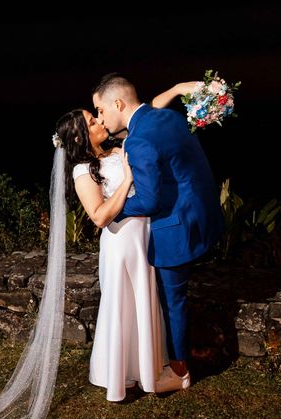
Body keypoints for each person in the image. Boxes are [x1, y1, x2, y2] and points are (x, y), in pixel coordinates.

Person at [53, 83, 190, 401]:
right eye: (91, 121)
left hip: (145, 238)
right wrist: (128, 179)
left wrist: (181, 89)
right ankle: (119, 377)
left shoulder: (122, 147)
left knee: (145, 300)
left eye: (97, 115)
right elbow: (100, 216)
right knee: (123, 306)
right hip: (119, 246)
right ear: (78, 137)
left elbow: (149, 109)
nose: (100, 121)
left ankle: (147, 370)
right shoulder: (83, 170)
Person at [92, 73, 225, 393]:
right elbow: (150, 108)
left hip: (176, 228)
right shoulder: (168, 117)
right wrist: (178, 88)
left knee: (172, 299)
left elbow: (150, 200)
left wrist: (110, 211)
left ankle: (179, 371)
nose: (100, 118)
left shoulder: (138, 140)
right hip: (202, 213)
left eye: (100, 110)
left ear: (118, 104)